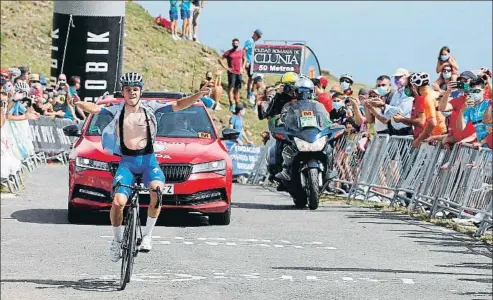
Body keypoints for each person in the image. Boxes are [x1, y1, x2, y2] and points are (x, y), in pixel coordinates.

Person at [73, 72, 211, 261]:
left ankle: (147, 236)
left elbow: (179, 105)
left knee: (157, 192)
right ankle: (117, 241)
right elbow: (95, 109)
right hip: (127, 164)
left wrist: (198, 95)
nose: (132, 93)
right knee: (117, 203)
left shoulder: (151, 108)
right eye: (128, 90)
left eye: (135, 90)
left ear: (140, 91)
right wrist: (79, 104)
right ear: (123, 91)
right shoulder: (117, 109)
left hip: (148, 162)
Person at [276, 76, 316, 181]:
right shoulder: (290, 105)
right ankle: (284, 168)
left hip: (313, 134)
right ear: (296, 91)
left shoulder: (316, 105)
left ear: (312, 92)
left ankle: (330, 168)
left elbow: (325, 118)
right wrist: (282, 123)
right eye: (301, 91)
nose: (304, 94)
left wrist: (329, 124)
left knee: (328, 146)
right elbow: (284, 118)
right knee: (283, 143)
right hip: (296, 133)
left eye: (307, 91)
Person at [407, 72, 446, 148]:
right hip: (443, 134)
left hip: (439, 136)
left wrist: (419, 139)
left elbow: (432, 123)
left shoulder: (428, 98)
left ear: (414, 86)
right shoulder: (436, 94)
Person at [457, 75, 492, 148]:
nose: (475, 93)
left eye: (477, 91)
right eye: (473, 91)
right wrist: (461, 111)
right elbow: (460, 128)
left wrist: (481, 142)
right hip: (482, 151)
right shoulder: (469, 108)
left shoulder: (489, 104)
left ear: (484, 90)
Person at [218, 38, 245, 112]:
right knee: (231, 88)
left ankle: (237, 104)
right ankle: (231, 104)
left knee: (238, 89)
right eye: (234, 43)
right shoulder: (228, 52)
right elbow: (220, 59)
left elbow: (244, 59)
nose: (235, 44)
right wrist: (226, 67)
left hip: (239, 72)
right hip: (232, 72)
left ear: (238, 44)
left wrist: (242, 67)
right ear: (232, 44)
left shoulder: (241, 51)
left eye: (236, 43)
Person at [243, 29, 263, 101]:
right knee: (251, 79)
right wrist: (246, 62)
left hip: (253, 62)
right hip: (249, 62)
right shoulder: (250, 41)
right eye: (258, 37)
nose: (258, 38)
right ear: (255, 35)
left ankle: (251, 92)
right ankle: (249, 93)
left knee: (254, 78)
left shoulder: (254, 42)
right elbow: (244, 51)